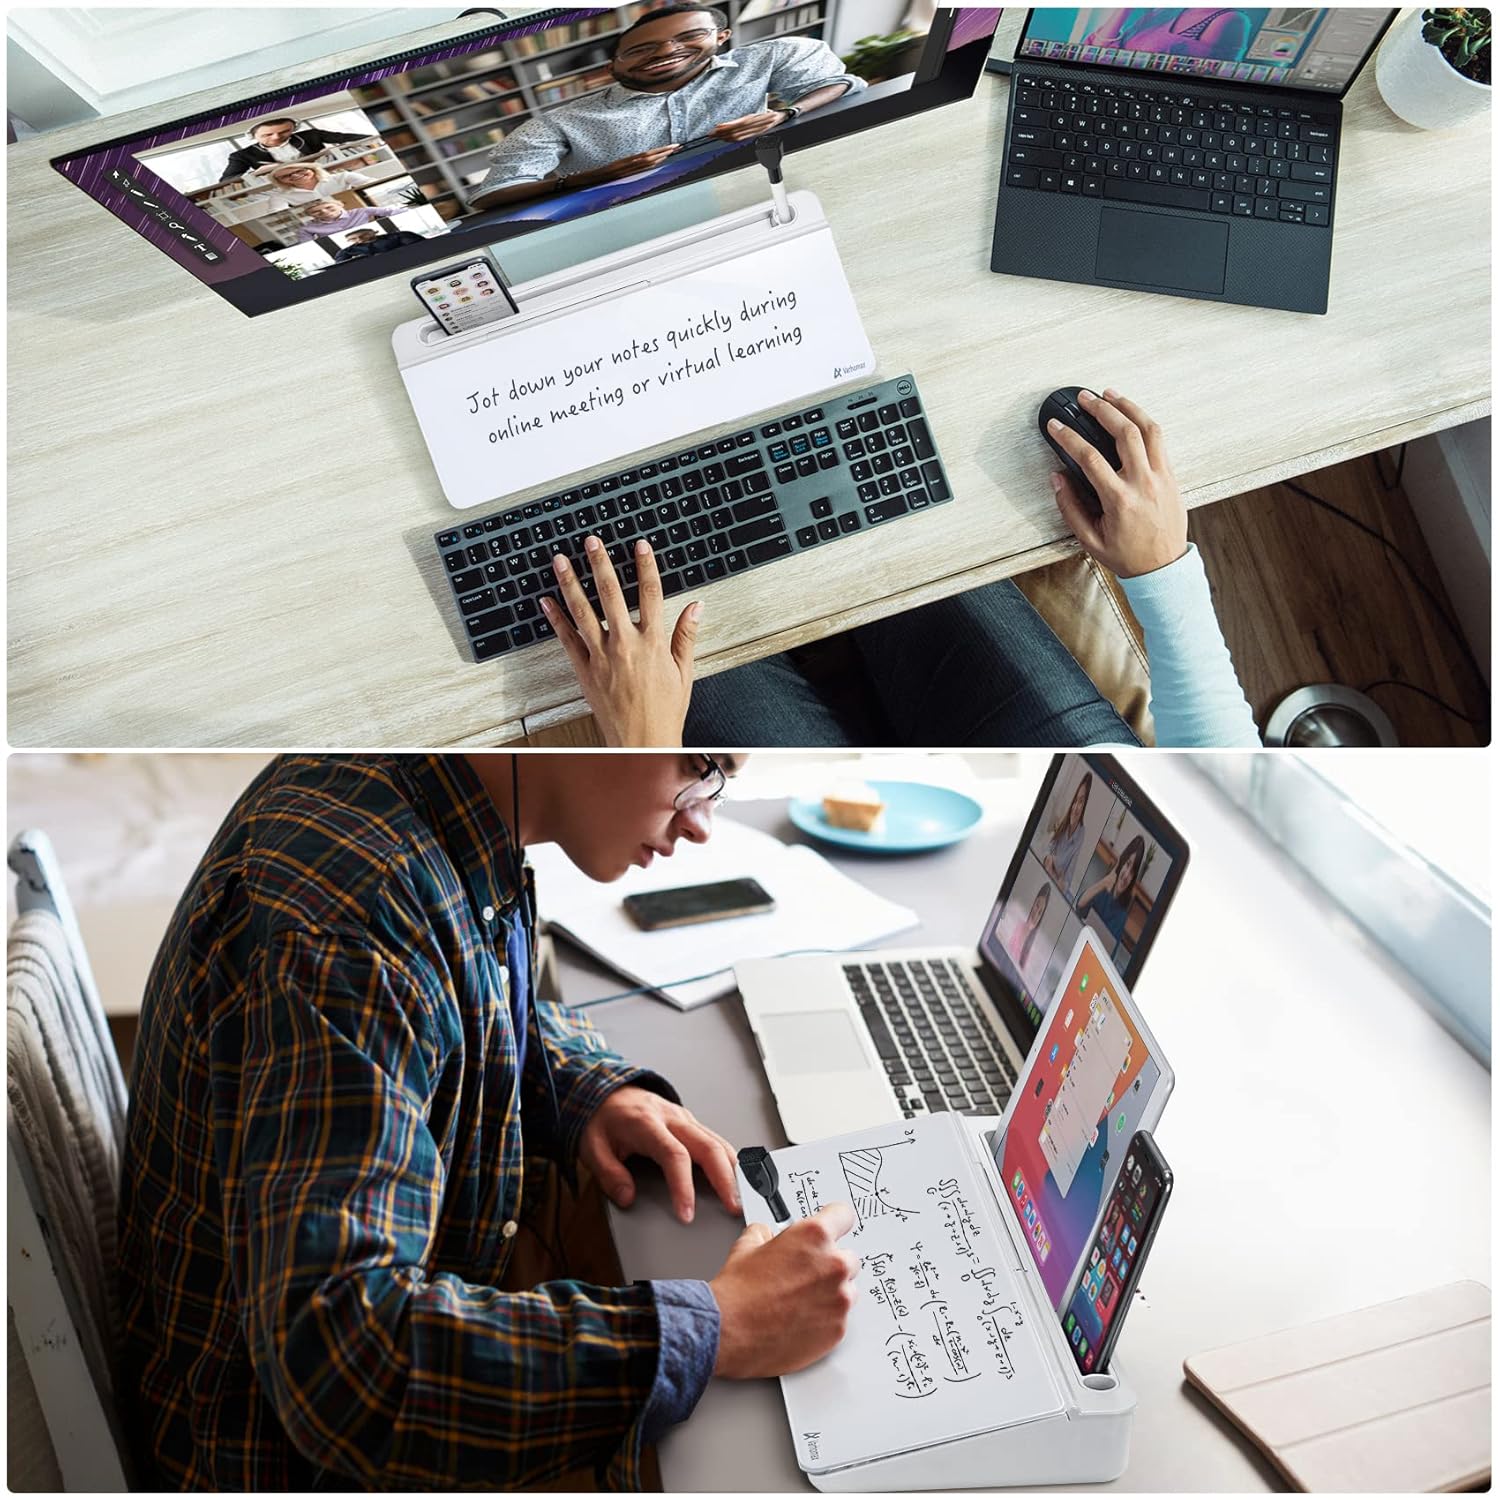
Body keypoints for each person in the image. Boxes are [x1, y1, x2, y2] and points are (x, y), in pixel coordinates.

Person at [116, 753, 862, 1489]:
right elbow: (347, 1364)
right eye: (700, 766)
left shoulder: (431, 800)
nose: (702, 820)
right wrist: (717, 1327)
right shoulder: (352, 927)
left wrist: (585, 1089)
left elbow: (450, 1005)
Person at [537, 389, 1263, 749]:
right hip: (1084, 795)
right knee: (882, 493)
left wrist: (640, 744)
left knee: (659, 605)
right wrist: (1162, 570)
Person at [468, 3, 865, 210]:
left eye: (690, 36)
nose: (667, 51)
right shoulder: (561, 122)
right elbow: (493, 193)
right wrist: (592, 177)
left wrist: (784, 114)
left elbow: (838, 86)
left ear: (722, 36)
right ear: (613, 67)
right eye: (640, 50)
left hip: (764, 194)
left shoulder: (773, 56)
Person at [219, 116, 369, 181]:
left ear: (293, 129)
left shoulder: (312, 135)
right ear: (254, 136)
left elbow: (361, 137)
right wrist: (255, 173)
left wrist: (340, 149)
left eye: (284, 132)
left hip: (330, 173)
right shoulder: (241, 155)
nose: (276, 138)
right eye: (267, 134)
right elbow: (226, 180)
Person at [1076, 833, 1145, 946]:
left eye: (1132, 872)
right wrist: (1104, 883)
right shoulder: (1102, 890)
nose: (1127, 875)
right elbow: (1079, 907)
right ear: (1122, 862)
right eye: (1127, 864)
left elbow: (1109, 952)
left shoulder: (1121, 917)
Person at [1041, 771, 1093, 899]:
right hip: (1048, 874)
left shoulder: (1081, 833)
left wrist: (1055, 863)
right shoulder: (1064, 821)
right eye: (1075, 800)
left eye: (1081, 802)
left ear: (1085, 806)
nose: (1075, 807)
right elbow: (1048, 852)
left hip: (1059, 885)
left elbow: (1067, 879)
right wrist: (1053, 864)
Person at [257, 160, 380, 210]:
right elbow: (277, 211)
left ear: (312, 169)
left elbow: (374, 185)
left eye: (299, 170)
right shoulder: (279, 197)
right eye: (286, 176)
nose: (295, 176)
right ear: (280, 181)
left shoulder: (344, 176)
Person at [1006, 884, 1052, 989]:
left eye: (1040, 912)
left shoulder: (1036, 948)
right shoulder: (1016, 923)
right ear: (1033, 902)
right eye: (1037, 905)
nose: (1036, 913)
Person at [294, 198, 399, 241]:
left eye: (329, 207)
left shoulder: (362, 211)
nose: (324, 212)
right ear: (311, 215)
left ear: (340, 205)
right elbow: (310, 246)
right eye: (315, 211)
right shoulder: (306, 229)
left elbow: (394, 211)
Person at [331, 225, 428, 260]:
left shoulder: (400, 236)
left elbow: (420, 247)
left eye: (364, 235)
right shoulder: (346, 252)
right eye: (353, 239)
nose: (359, 239)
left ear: (374, 232)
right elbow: (341, 269)